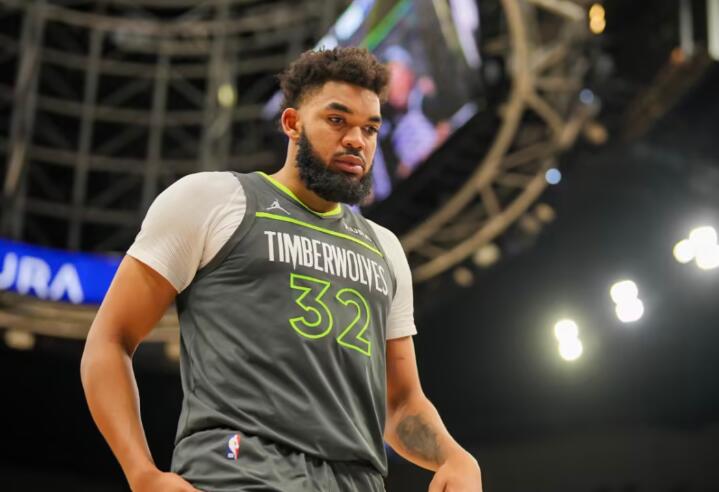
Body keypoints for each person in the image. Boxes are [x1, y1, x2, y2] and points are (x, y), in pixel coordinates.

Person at [81, 47, 482, 492]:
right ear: (292, 123)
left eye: (370, 128)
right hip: (236, 474)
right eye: (337, 120)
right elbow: (110, 340)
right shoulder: (213, 200)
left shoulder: (384, 248)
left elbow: (401, 402)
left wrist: (454, 456)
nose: (357, 140)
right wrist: (141, 473)